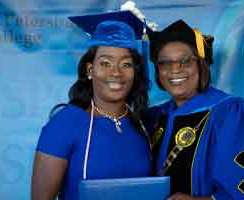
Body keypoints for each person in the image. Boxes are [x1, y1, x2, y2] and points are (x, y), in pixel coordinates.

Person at [145, 19, 244, 200]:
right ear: (158, 70)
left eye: (185, 61)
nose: (175, 69)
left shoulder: (233, 114)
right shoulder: (153, 118)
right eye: (165, 63)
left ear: (200, 66)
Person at [31, 11, 153, 200]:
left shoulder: (142, 124)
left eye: (126, 64)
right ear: (90, 70)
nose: (116, 73)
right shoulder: (65, 123)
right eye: (105, 63)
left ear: (135, 72)